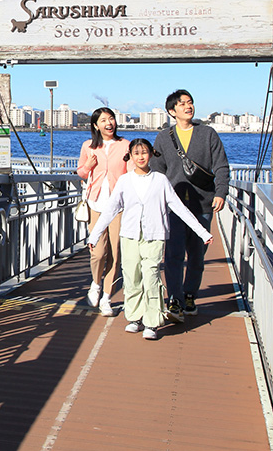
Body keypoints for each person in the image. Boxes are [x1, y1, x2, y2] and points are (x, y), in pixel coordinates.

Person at [87, 139, 212, 340]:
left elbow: (179, 207)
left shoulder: (160, 180)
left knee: (151, 275)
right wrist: (94, 235)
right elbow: (111, 209)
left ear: (151, 154)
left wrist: (202, 232)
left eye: (144, 152)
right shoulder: (125, 181)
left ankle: (152, 322)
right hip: (130, 235)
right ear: (130, 156)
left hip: (154, 235)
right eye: (136, 153)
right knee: (132, 277)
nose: (141, 157)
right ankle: (135, 317)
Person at [151, 89, 230, 322]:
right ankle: (174, 299)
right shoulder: (164, 137)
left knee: (197, 255)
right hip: (174, 207)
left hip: (202, 204)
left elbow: (221, 166)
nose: (188, 106)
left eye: (190, 102)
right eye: (183, 104)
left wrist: (221, 192)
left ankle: (189, 295)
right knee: (173, 254)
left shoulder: (208, 134)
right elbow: (157, 170)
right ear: (172, 111)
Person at [76, 107, 131, 316]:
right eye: (104, 120)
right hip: (96, 204)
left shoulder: (125, 145)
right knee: (98, 252)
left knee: (115, 253)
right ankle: (95, 283)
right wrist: (88, 165)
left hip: (119, 206)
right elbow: (81, 172)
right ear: (95, 125)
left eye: (111, 119)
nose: (109, 123)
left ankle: (107, 296)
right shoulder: (88, 146)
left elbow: (132, 172)